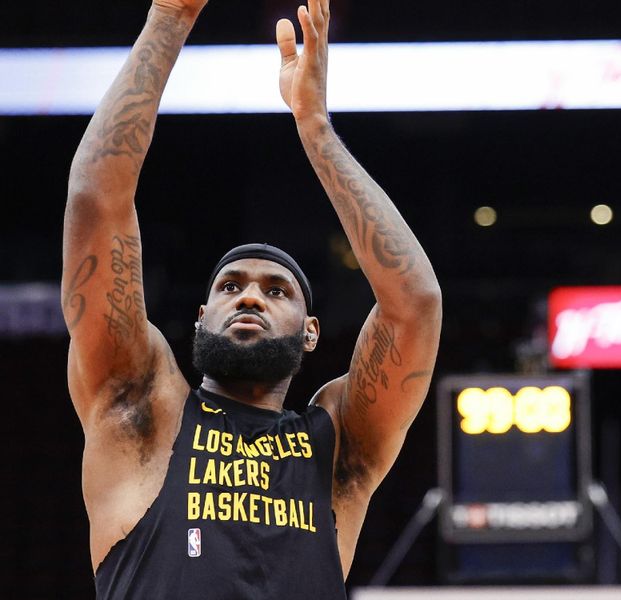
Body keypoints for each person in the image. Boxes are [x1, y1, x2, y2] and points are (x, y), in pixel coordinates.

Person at [60, 0, 442, 596]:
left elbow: (415, 301)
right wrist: (171, 14)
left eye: (276, 290)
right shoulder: (142, 412)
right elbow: (95, 202)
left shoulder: (338, 451)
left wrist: (316, 130)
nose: (251, 298)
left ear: (310, 331)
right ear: (201, 317)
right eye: (230, 287)